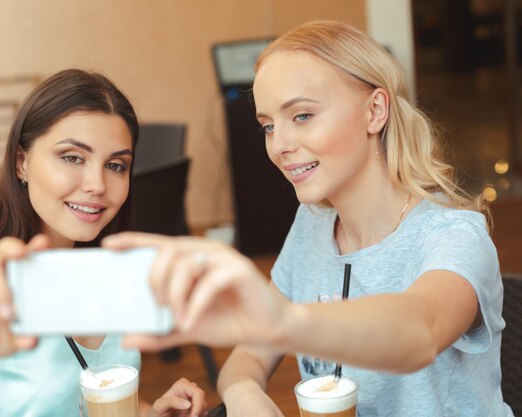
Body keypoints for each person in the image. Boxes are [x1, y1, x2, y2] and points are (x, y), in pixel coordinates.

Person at [103, 21, 513, 416]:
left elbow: (420, 332)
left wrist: (283, 320)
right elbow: (247, 356)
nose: (279, 146)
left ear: (375, 111)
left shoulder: (453, 236)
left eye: (301, 116)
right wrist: (244, 392)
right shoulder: (312, 226)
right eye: (267, 126)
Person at [0, 69, 205, 417]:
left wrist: (151, 412)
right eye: (72, 157)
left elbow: (90, 399)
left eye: (115, 165)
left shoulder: (107, 274)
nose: (97, 184)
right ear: (22, 162)